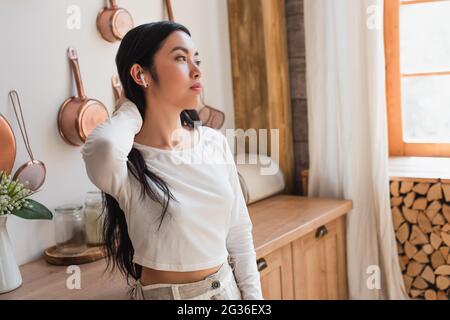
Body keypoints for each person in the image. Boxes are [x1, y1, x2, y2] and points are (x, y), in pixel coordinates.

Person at [81, 21, 263, 300]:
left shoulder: (214, 142)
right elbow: (103, 144)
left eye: (196, 59)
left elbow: (239, 234)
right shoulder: (125, 162)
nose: (196, 70)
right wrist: (130, 107)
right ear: (141, 74)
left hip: (227, 291)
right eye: (180, 58)